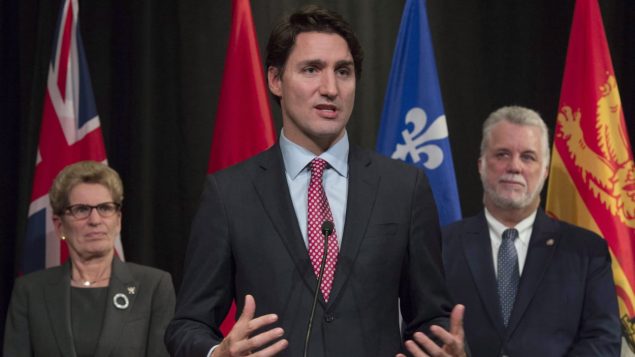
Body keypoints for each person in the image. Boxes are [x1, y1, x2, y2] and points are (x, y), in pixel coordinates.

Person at [165, 4, 465, 357]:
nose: (330, 88)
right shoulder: (230, 194)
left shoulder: (404, 188)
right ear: (275, 80)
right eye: (311, 70)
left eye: (343, 72)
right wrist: (218, 353)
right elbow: (187, 326)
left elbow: (432, 320)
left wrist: (446, 349)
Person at [442, 106, 621, 356]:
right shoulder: (442, 246)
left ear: (545, 171)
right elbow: (423, 327)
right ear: (481, 164)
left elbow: (603, 341)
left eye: (528, 157)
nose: (514, 166)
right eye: (502, 154)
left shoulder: (587, 251)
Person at [3, 161, 176, 357]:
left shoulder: (154, 286)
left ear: (118, 220)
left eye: (105, 208)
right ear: (59, 225)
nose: (95, 220)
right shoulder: (30, 292)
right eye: (81, 210)